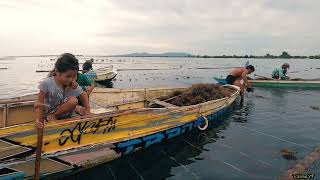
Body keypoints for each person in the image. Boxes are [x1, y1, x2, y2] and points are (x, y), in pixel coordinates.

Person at [35, 53, 91, 129]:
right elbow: (39, 104)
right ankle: (51, 116)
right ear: (57, 71)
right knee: (75, 103)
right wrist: (38, 119)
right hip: (48, 115)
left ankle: (55, 116)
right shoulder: (46, 83)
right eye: (68, 76)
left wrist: (88, 110)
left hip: (66, 116)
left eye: (74, 76)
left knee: (74, 100)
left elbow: (83, 94)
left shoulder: (72, 84)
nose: (71, 79)